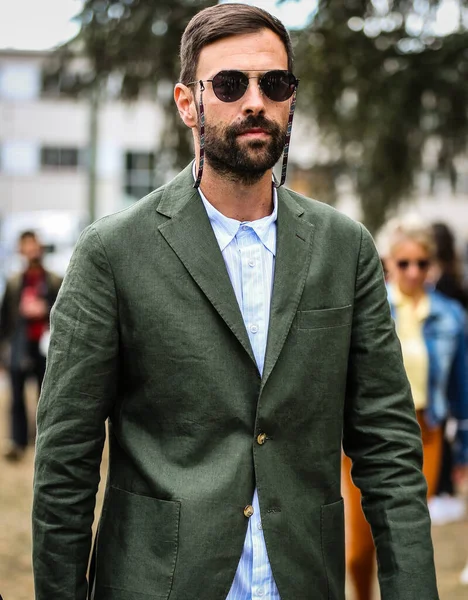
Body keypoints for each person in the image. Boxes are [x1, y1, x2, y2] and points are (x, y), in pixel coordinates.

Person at [32, 5, 439, 599]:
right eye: (229, 84)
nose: (255, 101)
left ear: (291, 99)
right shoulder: (113, 252)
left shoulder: (344, 248)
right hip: (159, 583)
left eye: (274, 84)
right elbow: (65, 465)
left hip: (303, 580)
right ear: (187, 102)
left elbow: (389, 453)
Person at [342, 216, 468, 600]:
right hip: (366, 431)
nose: (413, 272)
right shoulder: (367, 306)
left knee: (405, 538)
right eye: (404, 263)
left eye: (422, 263)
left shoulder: (450, 316)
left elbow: (460, 387)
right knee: (359, 547)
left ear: (432, 265)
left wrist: (463, 449)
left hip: (423, 433)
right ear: (389, 263)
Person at [0, 230, 61, 461]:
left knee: (44, 396)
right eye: (26, 245)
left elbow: (62, 311)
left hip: (45, 346)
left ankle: (43, 440)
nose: (31, 249)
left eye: (34, 244)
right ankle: (17, 442)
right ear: (20, 250)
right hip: (20, 345)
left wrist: (42, 309)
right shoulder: (15, 281)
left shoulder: (54, 279)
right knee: (16, 395)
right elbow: (5, 318)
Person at [428, 222, 468, 525]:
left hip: (447, 365)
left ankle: (442, 490)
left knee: (441, 428)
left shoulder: (444, 290)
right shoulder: (452, 280)